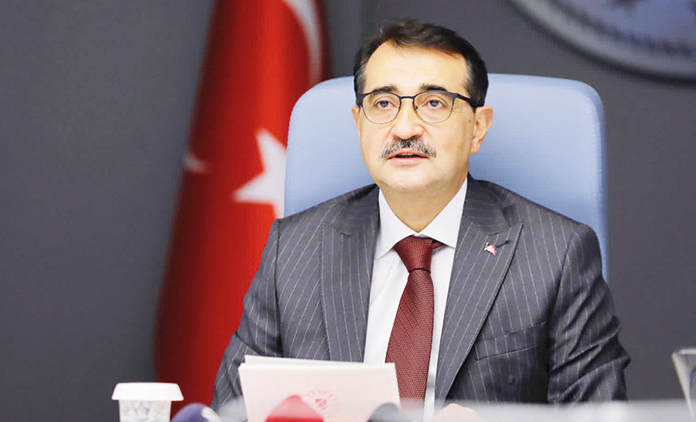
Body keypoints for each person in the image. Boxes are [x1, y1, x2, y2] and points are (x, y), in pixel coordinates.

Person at [211, 19, 629, 415]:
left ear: (478, 127)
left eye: (433, 103)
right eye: (383, 103)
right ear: (359, 125)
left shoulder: (556, 255)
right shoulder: (293, 249)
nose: (404, 128)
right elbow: (231, 414)